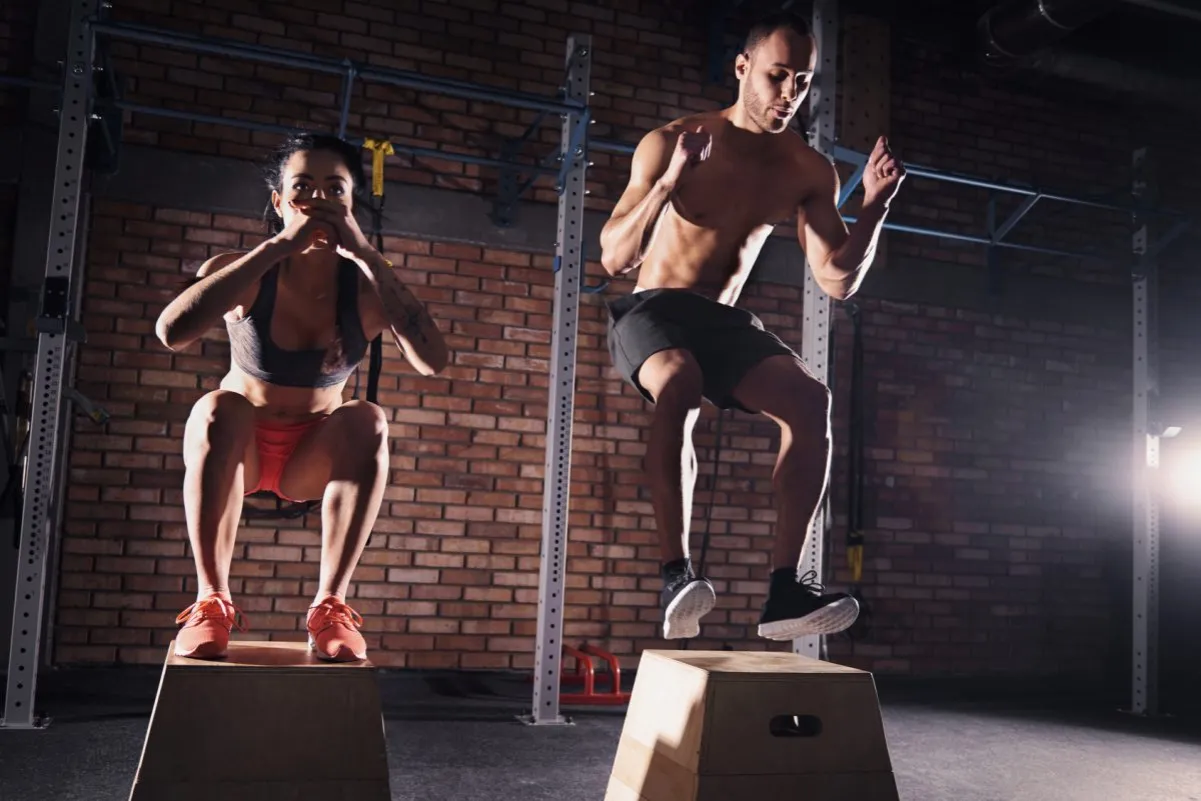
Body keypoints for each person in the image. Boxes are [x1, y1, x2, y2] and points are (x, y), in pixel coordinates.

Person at [599, 12, 905, 642]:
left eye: (803, 81)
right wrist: (667, 185)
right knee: (678, 382)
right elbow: (613, 257)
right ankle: (676, 573)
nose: (789, 94)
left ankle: (785, 592)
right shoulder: (672, 141)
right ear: (742, 69)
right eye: (777, 76)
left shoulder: (807, 170)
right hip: (652, 308)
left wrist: (872, 213)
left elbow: (837, 279)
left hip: (724, 320)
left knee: (809, 399)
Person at [154, 133, 448, 661]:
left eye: (334, 189)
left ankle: (330, 606)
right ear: (279, 201)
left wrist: (363, 253)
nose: (317, 200)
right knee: (219, 407)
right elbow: (171, 332)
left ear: (352, 202)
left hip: (307, 459)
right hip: (237, 450)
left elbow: (433, 360)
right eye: (303, 187)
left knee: (368, 418)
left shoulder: (364, 291)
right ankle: (210, 602)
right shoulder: (243, 270)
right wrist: (278, 247)